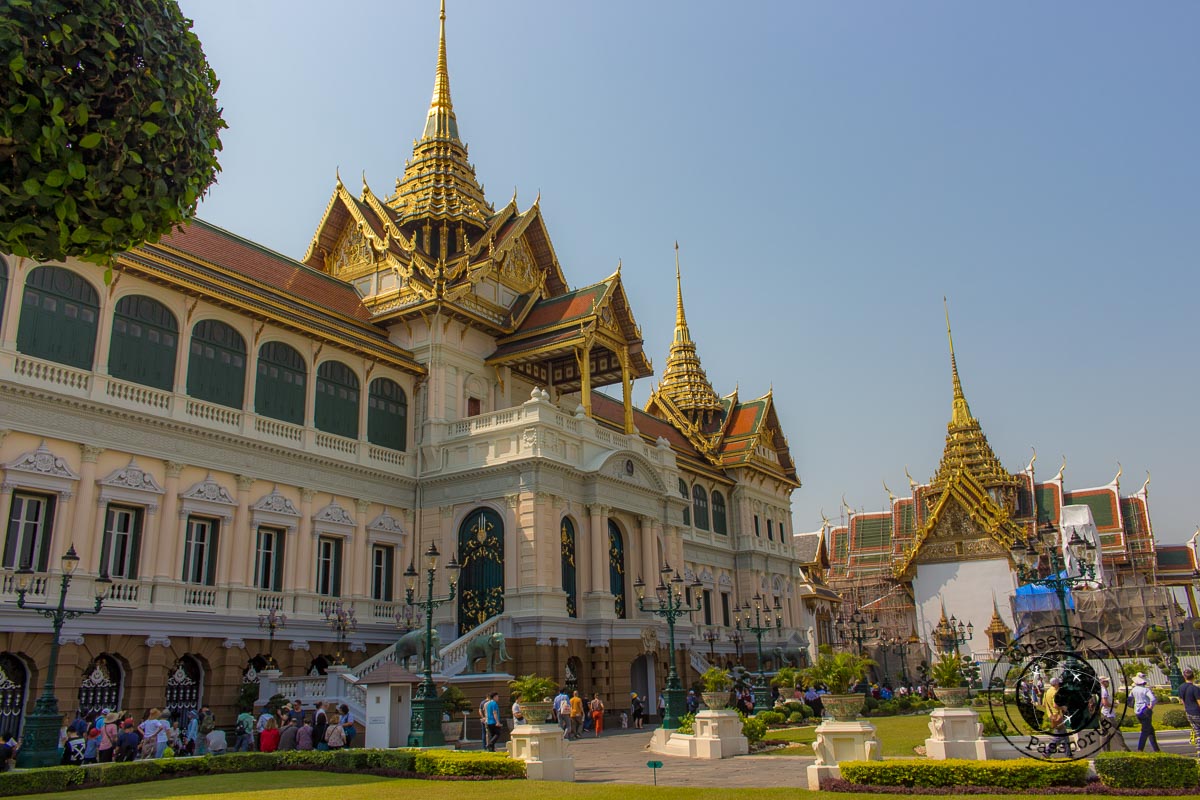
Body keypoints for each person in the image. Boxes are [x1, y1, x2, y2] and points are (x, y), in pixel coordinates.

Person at [1097, 676, 1128, 752]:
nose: (1108, 683)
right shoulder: (1103, 691)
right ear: (1102, 682)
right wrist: (1114, 705)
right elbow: (1105, 703)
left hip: (1103, 714)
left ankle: (1105, 751)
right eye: (1106, 681)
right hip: (1108, 715)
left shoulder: (1101, 690)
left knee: (1105, 733)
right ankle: (1124, 749)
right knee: (1116, 732)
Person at [1130, 673, 1160, 752]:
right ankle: (1140, 749)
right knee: (1145, 730)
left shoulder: (1134, 689)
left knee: (1150, 730)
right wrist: (1151, 706)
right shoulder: (1145, 690)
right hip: (1145, 710)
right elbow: (1153, 699)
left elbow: (1129, 698)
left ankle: (1156, 749)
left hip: (1137, 711)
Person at [1179, 668, 1200, 758]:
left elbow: (1182, 701)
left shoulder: (1181, 687)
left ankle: (1199, 751)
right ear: (1193, 677)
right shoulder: (1195, 688)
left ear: (1184, 677)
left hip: (1189, 712)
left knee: (1197, 732)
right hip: (1197, 712)